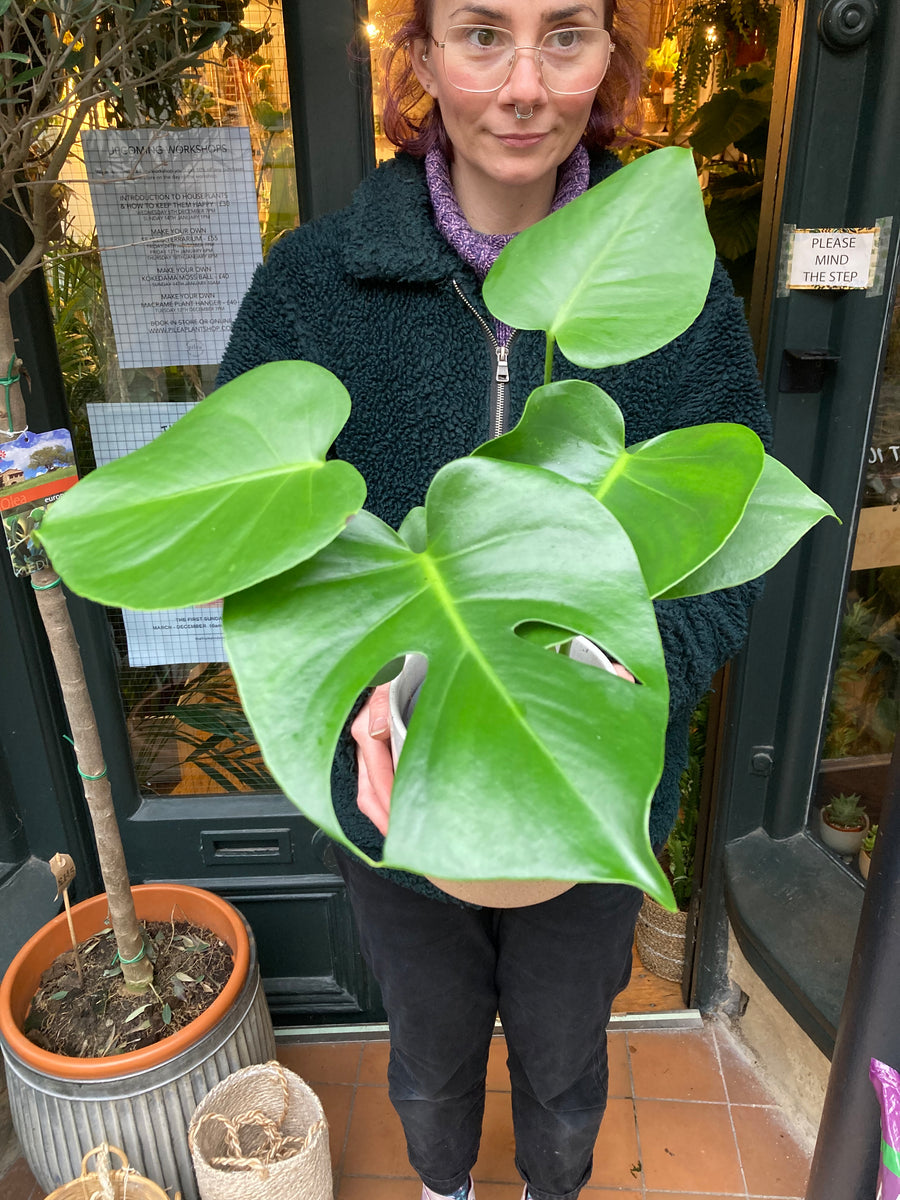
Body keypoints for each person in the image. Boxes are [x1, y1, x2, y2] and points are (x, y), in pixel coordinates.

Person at [218, 2, 771, 1198]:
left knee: (571, 1061)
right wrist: (363, 688)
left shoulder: (665, 295)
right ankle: (445, 1184)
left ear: (609, 57)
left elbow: (734, 540)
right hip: (396, 791)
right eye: (481, 35)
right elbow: (257, 539)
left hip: (590, 788)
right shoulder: (317, 284)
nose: (525, 85)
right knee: (426, 1057)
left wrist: (630, 664)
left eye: (565, 36)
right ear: (417, 56)